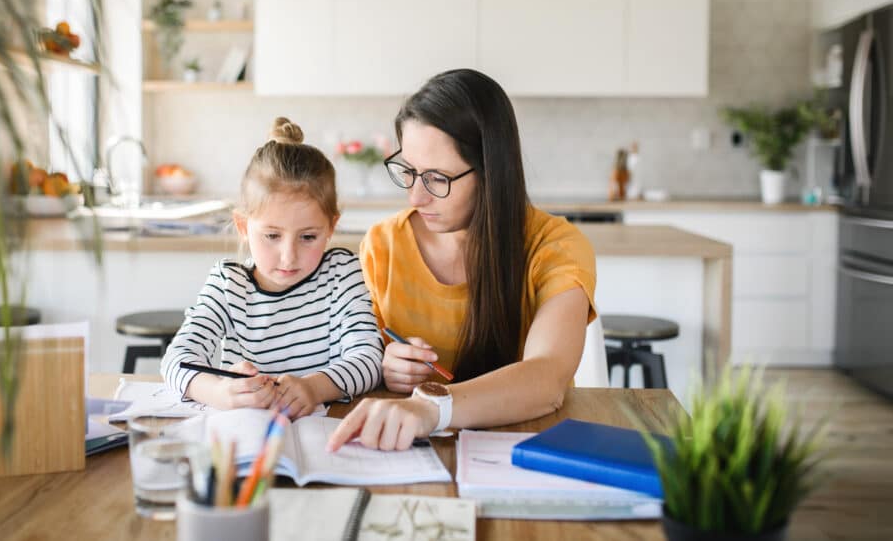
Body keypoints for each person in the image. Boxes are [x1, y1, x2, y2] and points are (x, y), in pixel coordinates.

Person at [327, 69, 597, 452]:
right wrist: (385, 366)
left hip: (527, 446)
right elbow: (357, 355)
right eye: (409, 172)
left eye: (437, 178)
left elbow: (548, 377)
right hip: (409, 451)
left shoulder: (555, 246)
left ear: (490, 172)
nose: (416, 198)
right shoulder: (382, 245)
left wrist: (432, 407)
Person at [161, 117, 384, 418]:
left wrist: (314, 388)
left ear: (331, 226)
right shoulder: (228, 284)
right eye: (272, 236)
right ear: (243, 226)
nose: (288, 256)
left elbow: (369, 359)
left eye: (308, 237)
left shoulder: (342, 273)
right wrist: (218, 392)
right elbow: (176, 360)